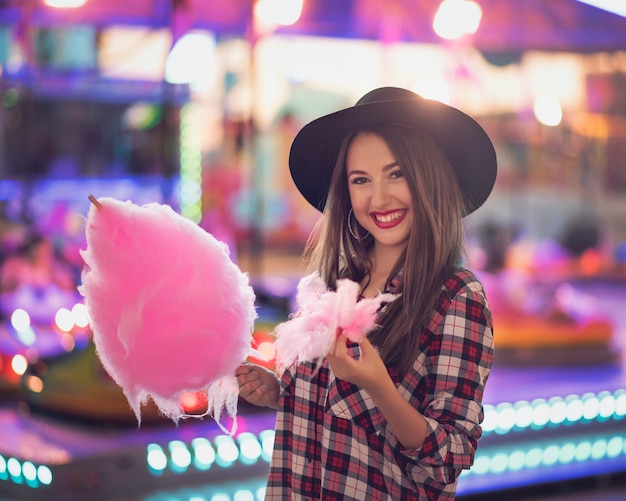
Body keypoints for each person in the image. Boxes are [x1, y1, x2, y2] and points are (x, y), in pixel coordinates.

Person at [236, 87, 497, 500]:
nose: (379, 198)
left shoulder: (457, 298)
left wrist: (379, 387)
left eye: (397, 174)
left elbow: (448, 461)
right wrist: (282, 391)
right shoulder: (337, 282)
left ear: (430, 179)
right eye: (361, 180)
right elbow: (333, 412)